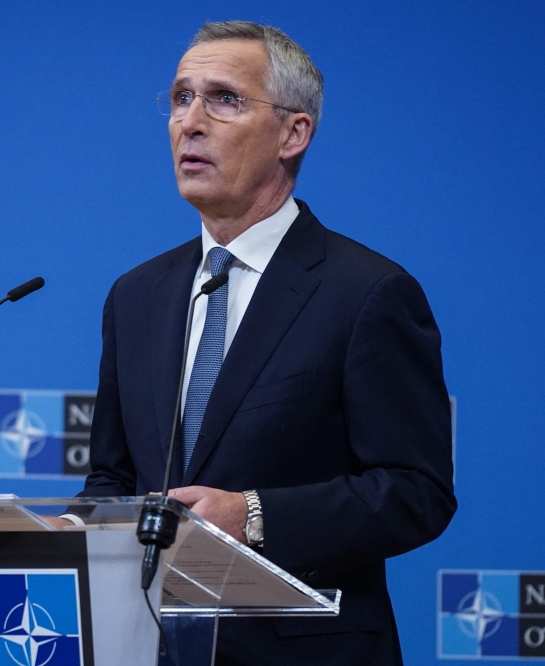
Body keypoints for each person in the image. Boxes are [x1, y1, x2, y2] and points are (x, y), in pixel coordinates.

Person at [77, 20, 457, 665]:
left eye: (224, 98)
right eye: (180, 98)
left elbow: (416, 493)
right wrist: (72, 530)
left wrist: (254, 516)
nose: (190, 122)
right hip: (149, 645)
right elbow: (113, 476)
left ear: (293, 132)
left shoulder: (368, 292)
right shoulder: (137, 294)